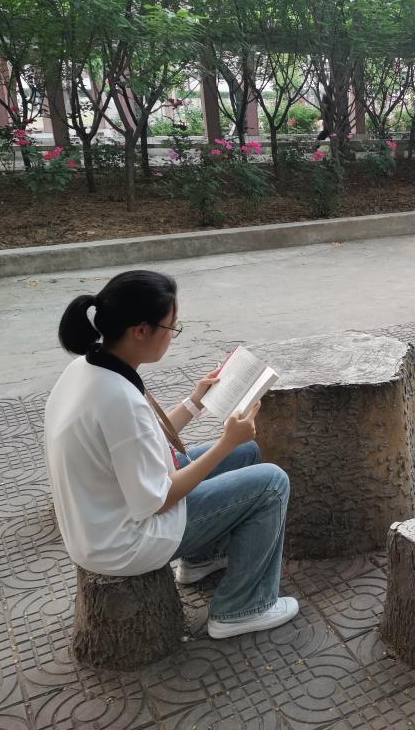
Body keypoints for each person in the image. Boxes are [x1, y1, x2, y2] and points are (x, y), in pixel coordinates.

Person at [44, 270, 298, 639]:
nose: (173, 335)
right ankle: (242, 608)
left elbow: (142, 443)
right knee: (272, 483)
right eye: (171, 327)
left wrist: (195, 402)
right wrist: (224, 443)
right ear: (141, 330)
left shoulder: (88, 367)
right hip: (123, 542)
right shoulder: (118, 400)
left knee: (246, 451)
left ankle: (199, 559)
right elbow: (158, 499)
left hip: (103, 520)